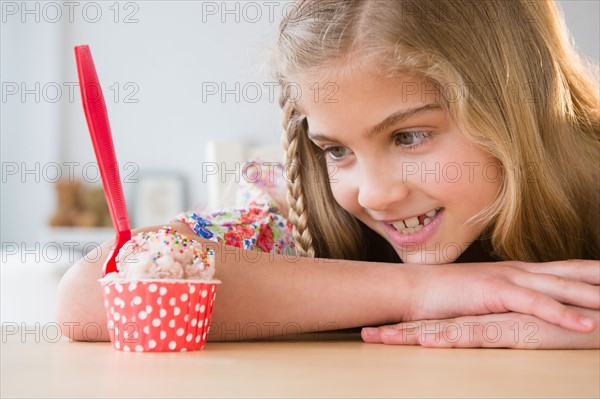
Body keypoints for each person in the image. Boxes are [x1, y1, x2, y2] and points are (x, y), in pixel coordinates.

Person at [56, 0, 599, 349]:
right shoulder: (293, 208)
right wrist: (420, 290)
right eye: (337, 151)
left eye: (409, 137)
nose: (376, 194)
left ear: (518, 107)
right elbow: (90, 295)